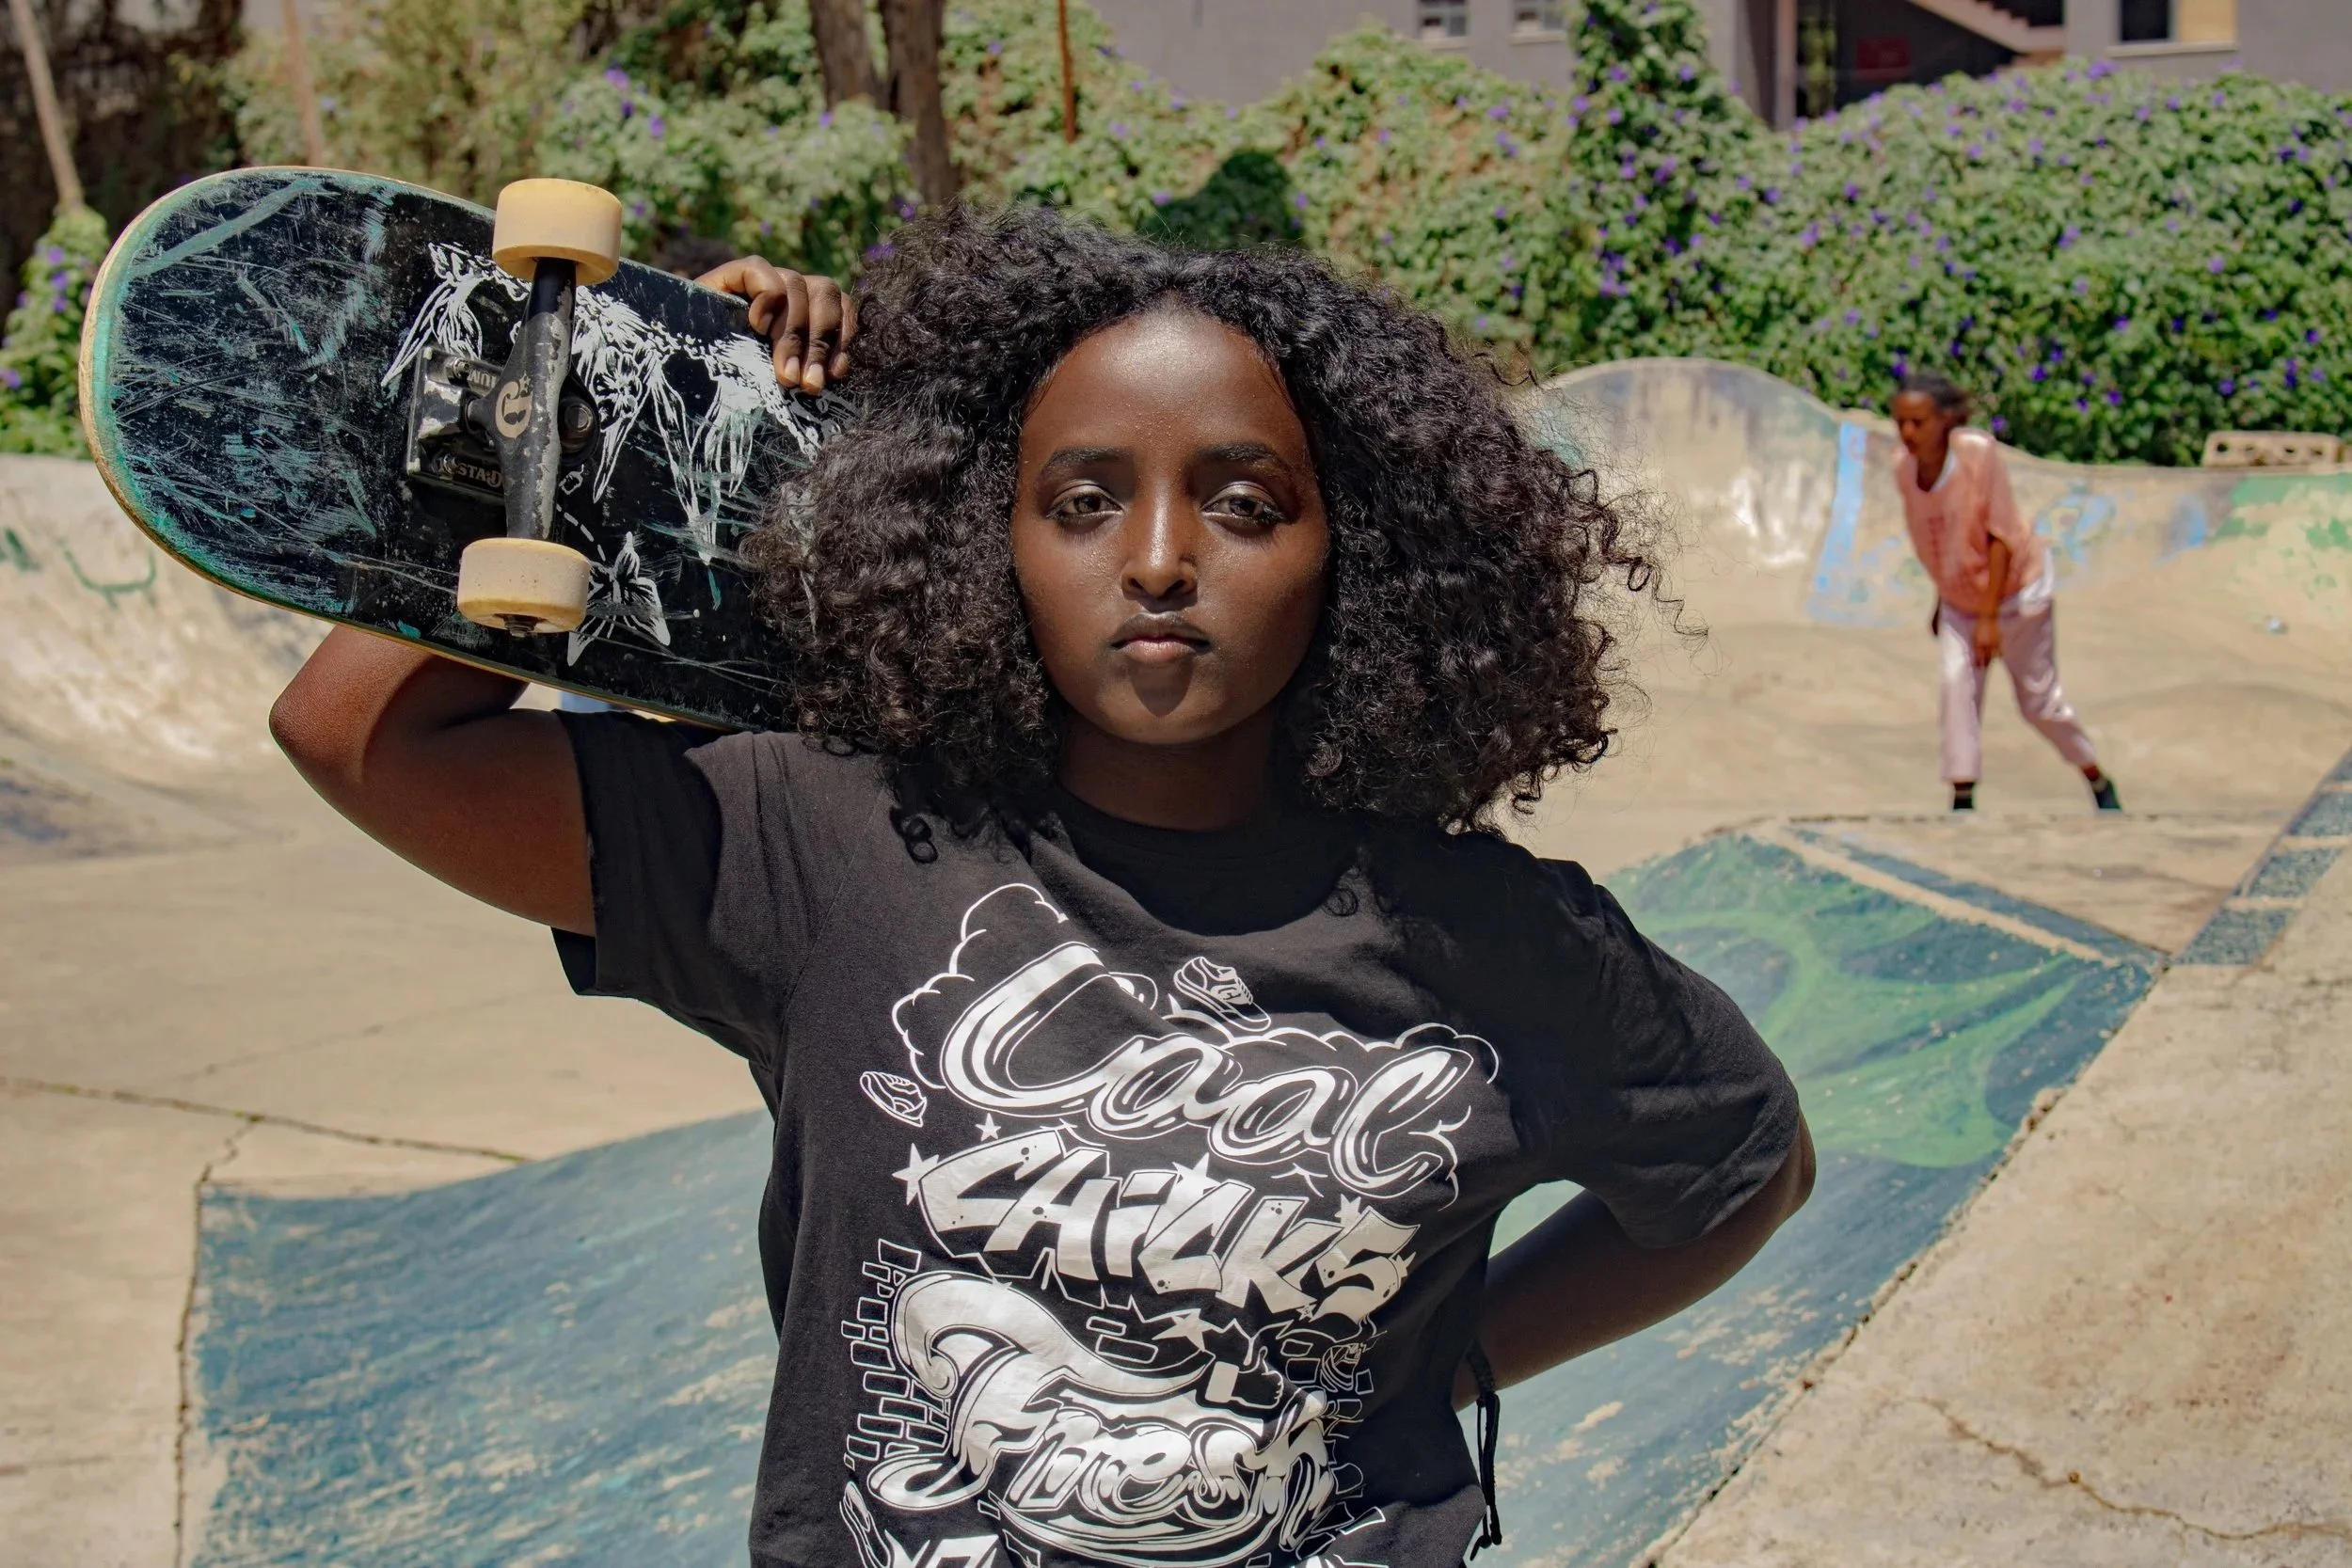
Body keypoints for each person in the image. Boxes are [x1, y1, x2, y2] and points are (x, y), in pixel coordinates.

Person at [269, 206, 1812, 1568]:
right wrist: (617, 407)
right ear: (982, 540)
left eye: (1246, 501)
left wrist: (1444, 1360)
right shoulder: (826, 842)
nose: (1156, 555)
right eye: (1080, 500)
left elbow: (1743, 1169)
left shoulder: (1497, 940)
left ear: (1366, 550)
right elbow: (358, 736)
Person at [1890, 372, 2121, 814]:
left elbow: (1999, 535)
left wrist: (1991, 618)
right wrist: (1943, 598)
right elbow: (1936, 536)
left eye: (1918, 423)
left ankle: (2095, 776)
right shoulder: (1904, 468)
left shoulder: (1977, 455)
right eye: (1900, 422)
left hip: (2016, 594)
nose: (1907, 433)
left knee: (2037, 702)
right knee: (1957, 688)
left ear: (1946, 420)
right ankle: (1962, 799)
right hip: (1960, 599)